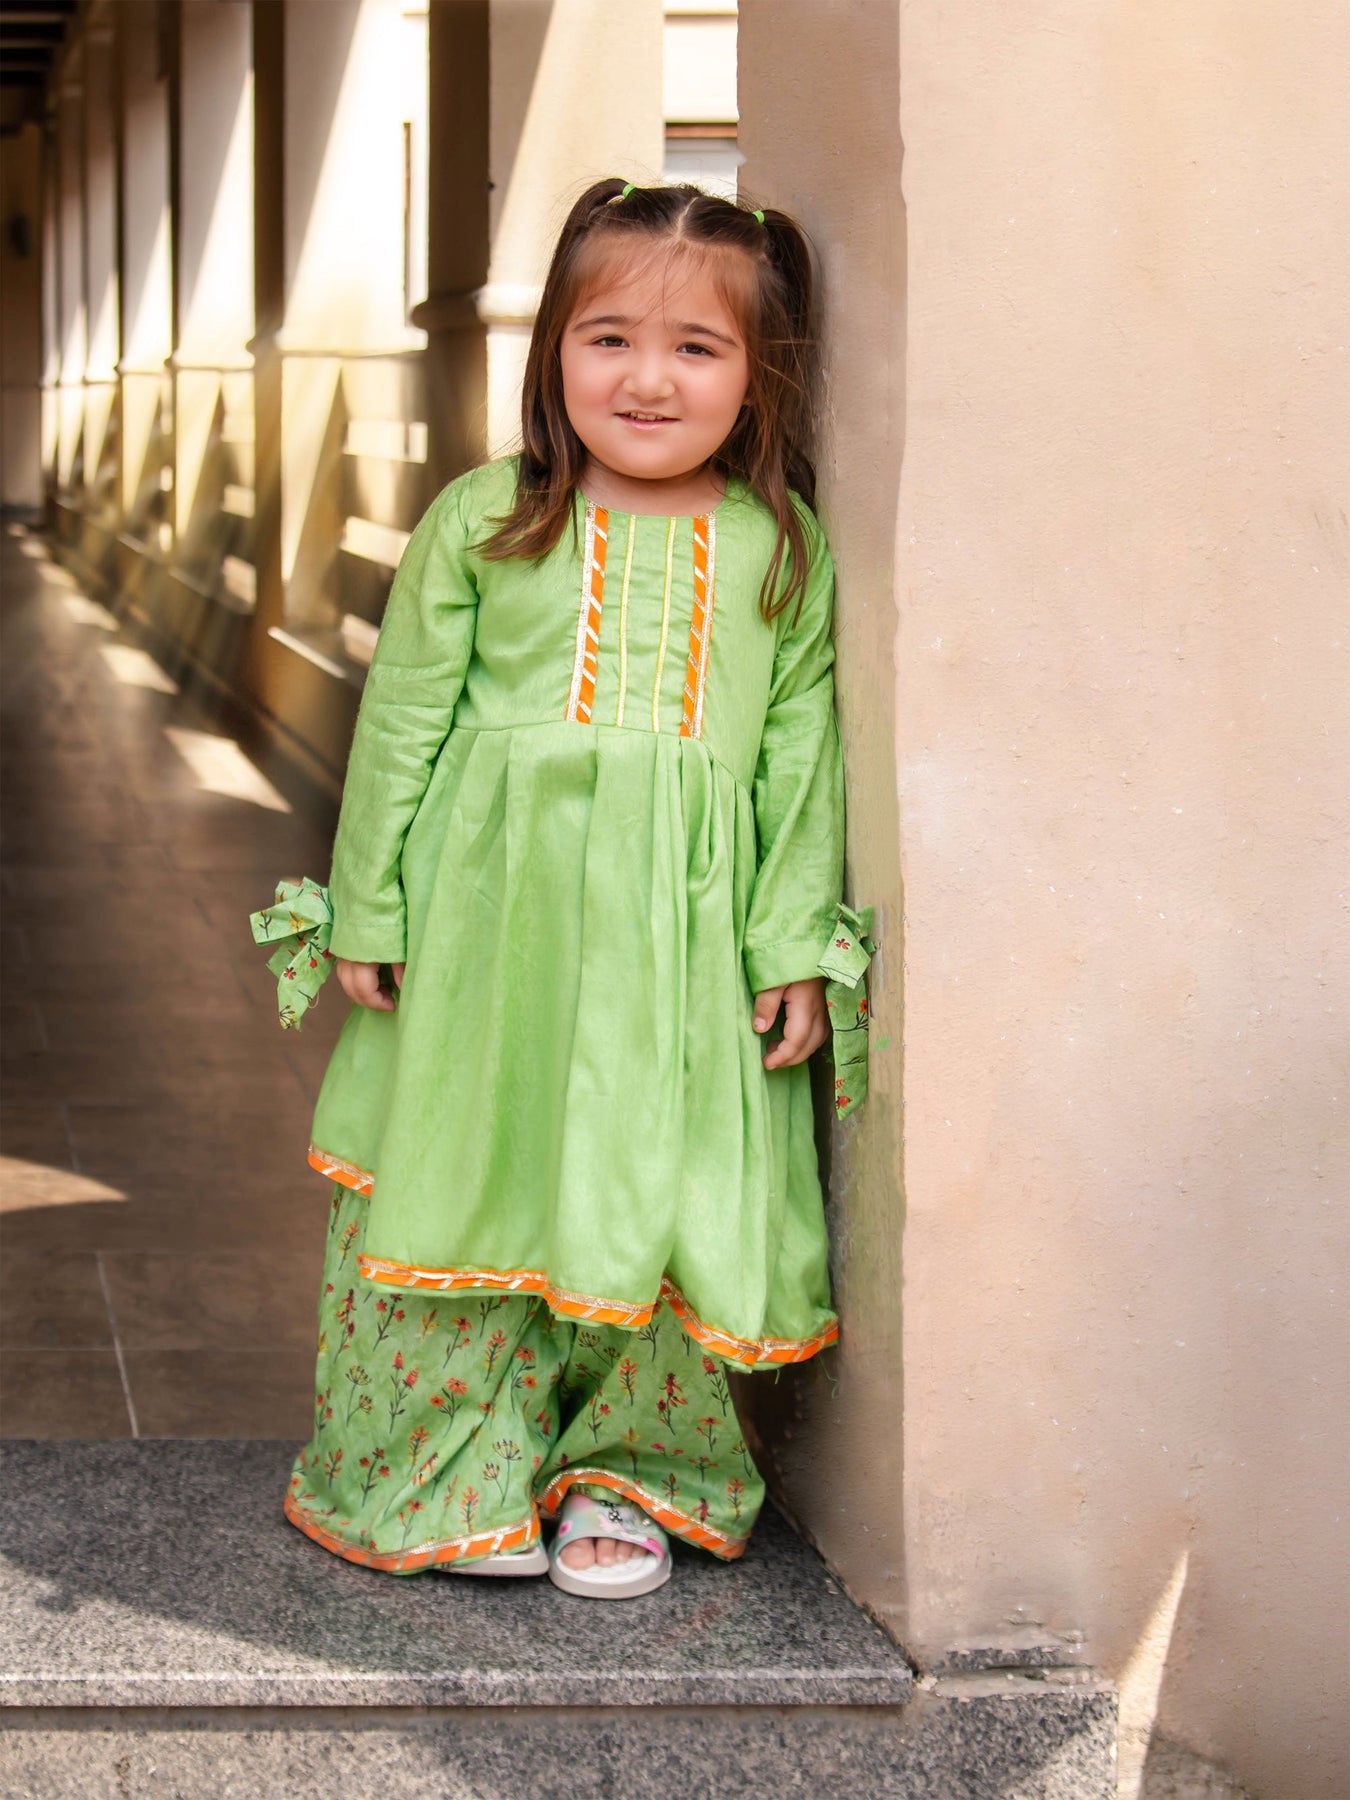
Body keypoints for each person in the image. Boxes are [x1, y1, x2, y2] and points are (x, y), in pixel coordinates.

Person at [255, 178, 873, 1600]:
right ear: (554, 350)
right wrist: (370, 903)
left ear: (759, 372)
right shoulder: (491, 517)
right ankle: (449, 1467)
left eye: (696, 348)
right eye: (608, 339)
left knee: (652, 1182)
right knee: (476, 1171)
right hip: (494, 933)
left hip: (679, 951)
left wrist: (788, 941)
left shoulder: (778, 545)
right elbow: (403, 718)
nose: (647, 379)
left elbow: (800, 762)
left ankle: (627, 1470)